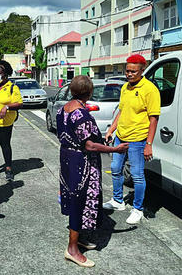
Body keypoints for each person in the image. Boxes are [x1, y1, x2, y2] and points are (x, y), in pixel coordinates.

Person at [57, 76, 128, 268]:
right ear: (89, 93)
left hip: (67, 158)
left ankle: (78, 239)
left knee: (74, 198)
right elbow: (89, 145)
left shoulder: (62, 109)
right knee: (79, 201)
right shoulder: (81, 114)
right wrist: (115, 149)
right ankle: (72, 249)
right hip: (81, 161)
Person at [103, 54, 160, 224]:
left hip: (138, 139)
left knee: (137, 175)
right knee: (115, 168)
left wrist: (149, 144)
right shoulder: (125, 88)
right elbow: (121, 111)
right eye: (127, 71)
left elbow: (154, 118)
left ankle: (137, 209)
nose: (129, 74)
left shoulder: (149, 89)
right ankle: (118, 201)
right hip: (121, 136)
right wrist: (111, 130)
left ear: (142, 70)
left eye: (133, 71)